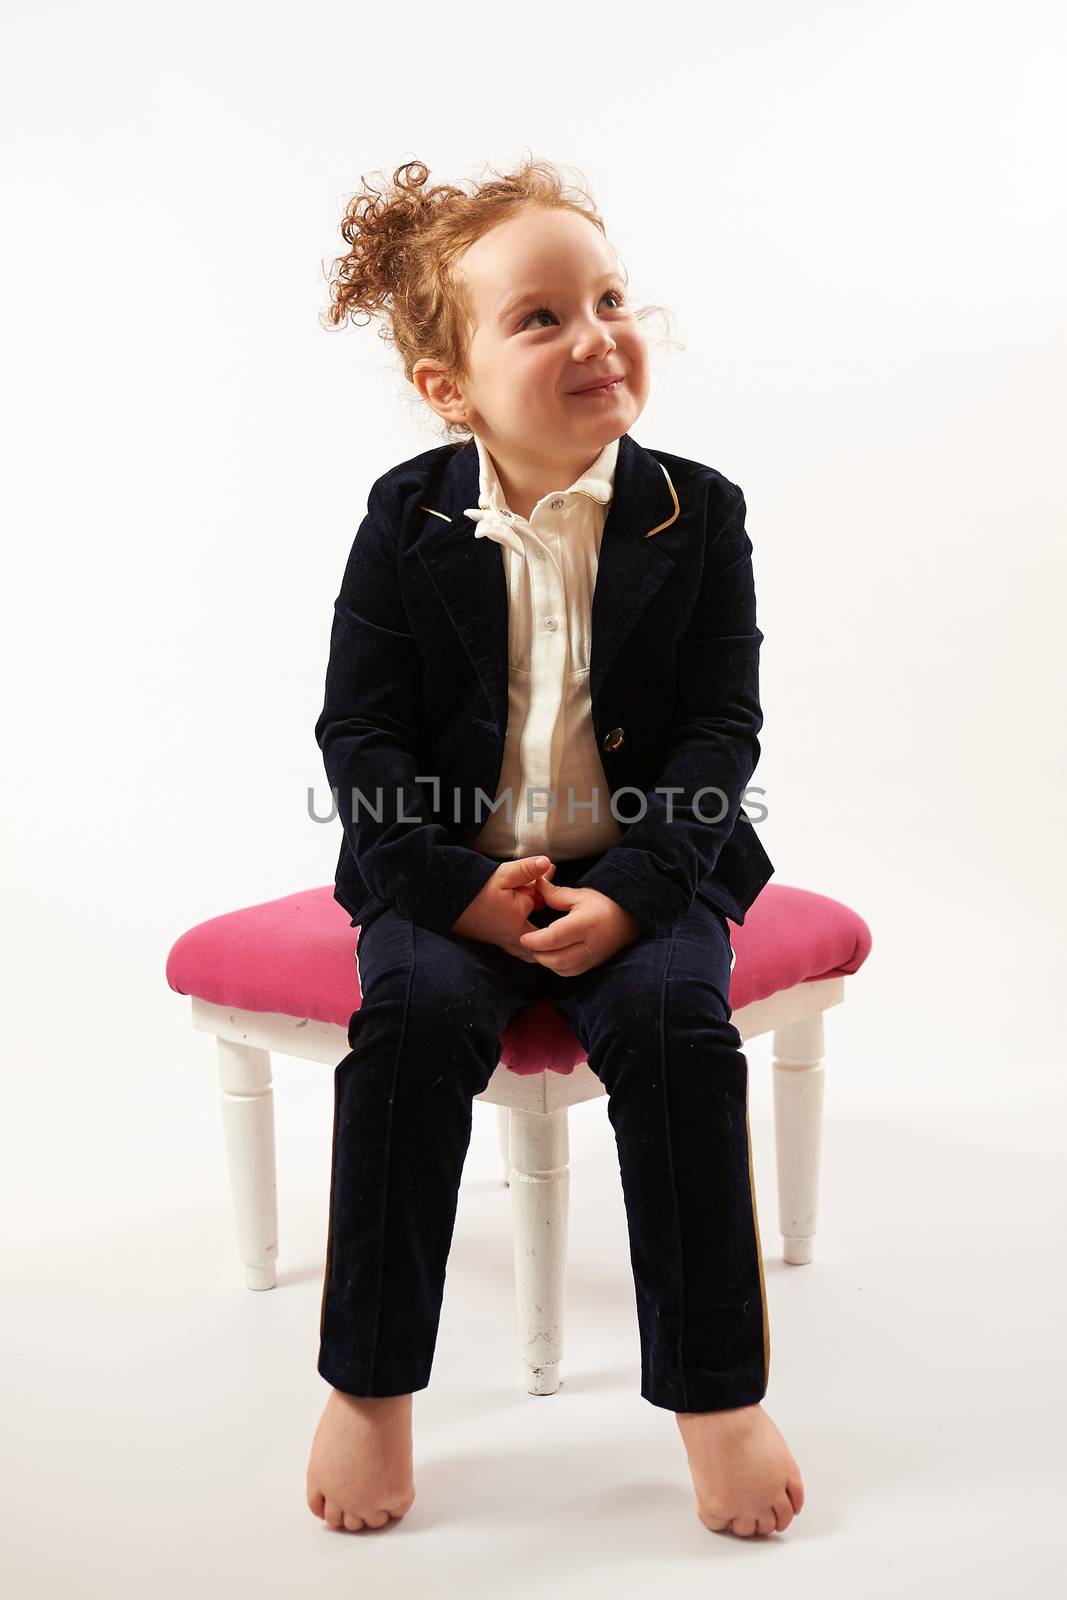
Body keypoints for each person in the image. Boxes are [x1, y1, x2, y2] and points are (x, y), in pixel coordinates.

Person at [305, 155, 805, 1539]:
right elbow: (361, 740)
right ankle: (370, 1386)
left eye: (608, 297)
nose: (596, 334)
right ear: (448, 386)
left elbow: (722, 730)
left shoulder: (695, 512)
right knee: (403, 1035)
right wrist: (459, 894)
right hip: (449, 876)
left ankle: (717, 1395)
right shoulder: (404, 517)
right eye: (539, 317)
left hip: (645, 867)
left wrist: (639, 896)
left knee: (675, 1038)